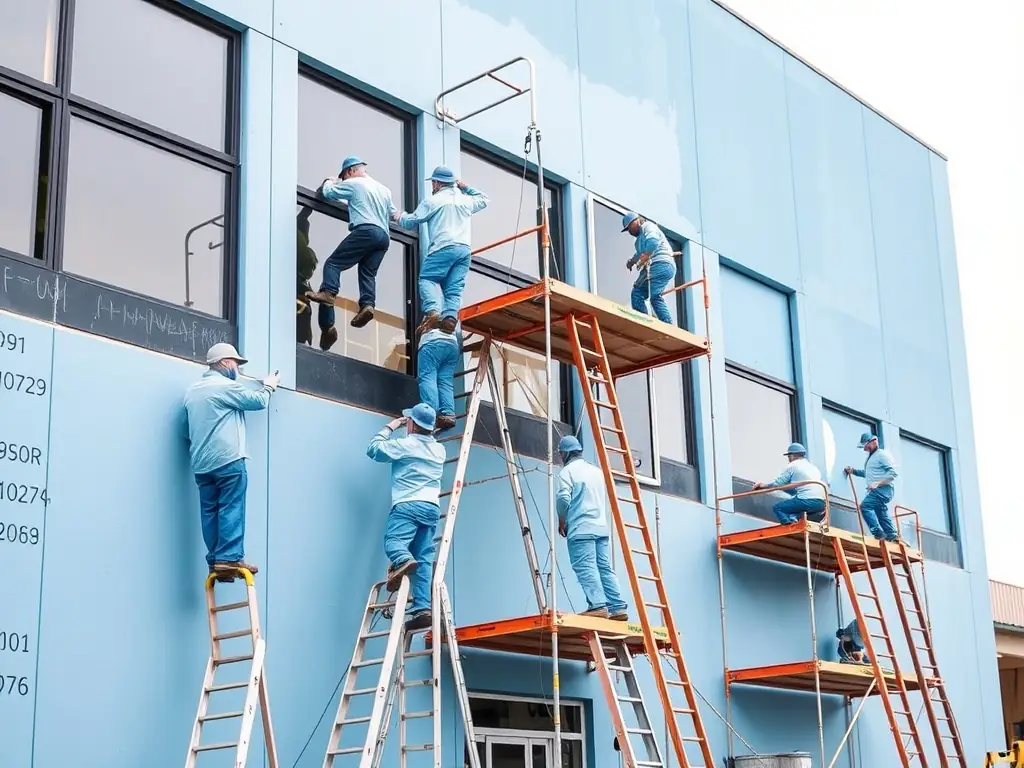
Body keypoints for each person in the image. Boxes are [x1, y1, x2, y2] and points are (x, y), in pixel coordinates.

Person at [183, 343, 280, 580]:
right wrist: (269, 386)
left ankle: (216, 561)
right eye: (236, 362)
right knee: (231, 506)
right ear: (225, 362)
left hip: (202, 464)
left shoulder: (193, 391)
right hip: (228, 459)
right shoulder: (225, 386)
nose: (237, 367)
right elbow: (258, 401)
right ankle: (229, 559)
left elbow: (187, 431)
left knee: (210, 511)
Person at [367, 403, 446, 631]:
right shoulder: (439, 450)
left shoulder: (405, 445)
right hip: (431, 507)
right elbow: (425, 438)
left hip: (408, 504)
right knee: (423, 558)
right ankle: (423, 608)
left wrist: (390, 427)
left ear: (411, 423)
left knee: (394, 543)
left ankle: (402, 560)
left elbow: (373, 449)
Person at [305, 156, 397, 349]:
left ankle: (329, 293)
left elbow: (329, 192)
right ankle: (367, 305)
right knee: (368, 273)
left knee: (333, 264)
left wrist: (330, 180)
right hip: (383, 237)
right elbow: (393, 214)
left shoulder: (355, 183)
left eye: (344, 178)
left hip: (366, 230)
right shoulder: (384, 190)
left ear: (350, 171)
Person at [393, 166, 488, 336]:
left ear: (437, 183)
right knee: (454, 288)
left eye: (433, 183)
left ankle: (432, 310)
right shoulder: (465, 200)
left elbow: (411, 222)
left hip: (443, 247)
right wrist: (465, 187)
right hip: (464, 250)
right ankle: (450, 318)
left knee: (427, 279)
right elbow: (484, 199)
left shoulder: (433, 201)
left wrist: (399, 216)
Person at [556, 435, 628, 620]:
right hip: (601, 527)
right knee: (604, 567)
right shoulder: (596, 471)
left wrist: (562, 520)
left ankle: (597, 606)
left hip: (581, 528)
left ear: (564, 454)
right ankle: (618, 607)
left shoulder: (567, 472)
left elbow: (563, 498)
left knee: (585, 566)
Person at [753, 442, 827, 524]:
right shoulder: (813, 467)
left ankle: (788, 525)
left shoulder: (793, 466)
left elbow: (778, 484)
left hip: (806, 501)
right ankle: (793, 518)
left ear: (792, 455)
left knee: (778, 508)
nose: (788, 459)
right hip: (820, 504)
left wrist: (762, 485)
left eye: (789, 456)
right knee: (793, 504)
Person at [622, 211, 676, 324]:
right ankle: (644, 322)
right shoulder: (638, 242)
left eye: (629, 228)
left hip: (660, 264)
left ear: (636, 221)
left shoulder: (648, 226)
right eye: (627, 230)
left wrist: (646, 255)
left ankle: (667, 324)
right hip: (657, 266)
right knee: (637, 293)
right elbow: (638, 254)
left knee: (655, 296)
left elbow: (653, 241)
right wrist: (632, 261)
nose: (629, 232)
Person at [844, 433, 899, 542]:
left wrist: (878, 483)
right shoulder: (872, 457)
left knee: (865, 506)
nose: (864, 449)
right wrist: (854, 471)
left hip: (882, 490)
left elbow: (893, 474)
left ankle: (877, 532)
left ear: (873, 442)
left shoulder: (882, 455)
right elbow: (869, 473)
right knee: (880, 511)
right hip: (879, 490)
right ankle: (891, 534)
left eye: (866, 446)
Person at [417, 320, 462, 432]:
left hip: (432, 341)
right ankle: (448, 414)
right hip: (452, 343)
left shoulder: (434, 304)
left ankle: (429, 414)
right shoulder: (452, 306)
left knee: (428, 377)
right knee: (445, 380)